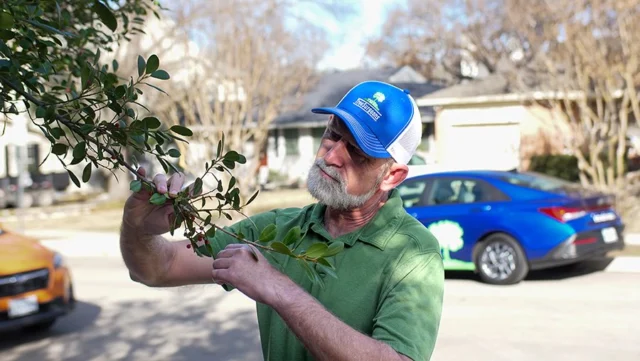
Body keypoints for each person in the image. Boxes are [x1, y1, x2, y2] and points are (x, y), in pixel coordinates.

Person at [120, 81, 444, 361]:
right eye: (333, 135)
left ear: (393, 176)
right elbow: (158, 268)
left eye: (358, 153)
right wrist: (138, 227)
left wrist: (279, 289)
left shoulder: (413, 254)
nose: (331, 156)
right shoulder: (276, 231)